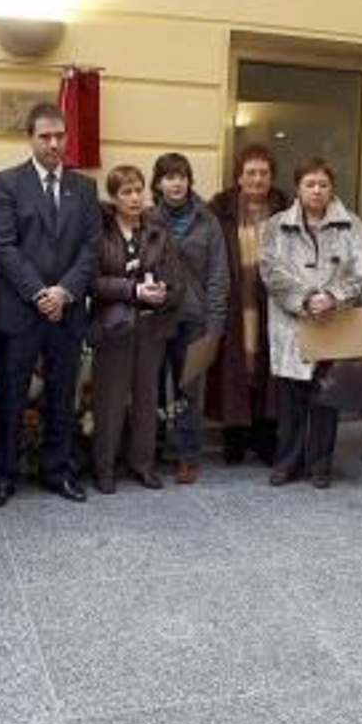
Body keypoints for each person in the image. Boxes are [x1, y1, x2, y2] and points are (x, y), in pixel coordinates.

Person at [0, 102, 102, 509]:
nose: (54, 144)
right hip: (20, 311)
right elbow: (3, 246)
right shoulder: (7, 183)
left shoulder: (84, 188)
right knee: (12, 397)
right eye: (45, 137)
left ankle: (58, 471)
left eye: (59, 136)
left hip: (67, 312)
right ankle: (4, 475)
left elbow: (91, 248)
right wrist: (40, 293)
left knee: (62, 395)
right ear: (30, 139)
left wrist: (64, 292)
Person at [259, 158, 362, 489]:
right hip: (291, 323)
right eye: (310, 184)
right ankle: (287, 463)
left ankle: (320, 465)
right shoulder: (276, 225)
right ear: (298, 188)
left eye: (323, 184)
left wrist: (333, 297)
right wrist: (306, 298)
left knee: (327, 398)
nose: (317, 190)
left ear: (331, 188)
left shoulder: (352, 225)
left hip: (332, 322)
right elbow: (270, 271)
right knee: (290, 401)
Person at [88, 165, 183, 492]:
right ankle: (104, 468)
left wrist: (163, 293)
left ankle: (143, 464)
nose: (134, 198)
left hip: (151, 327)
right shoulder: (100, 233)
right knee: (110, 402)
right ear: (113, 197)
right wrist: (132, 290)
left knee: (146, 400)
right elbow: (92, 282)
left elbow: (176, 281)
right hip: (113, 328)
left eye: (138, 190)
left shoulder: (159, 232)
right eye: (126, 192)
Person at [207, 144, 290, 466]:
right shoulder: (219, 211)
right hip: (234, 307)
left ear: (272, 177)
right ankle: (235, 438)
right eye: (251, 173)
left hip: (273, 306)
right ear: (238, 177)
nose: (257, 179)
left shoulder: (286, 210)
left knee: (268, 370)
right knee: (235, 370)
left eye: (264, 173)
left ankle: (266, 437)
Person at [151, 153, 229, 485]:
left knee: (189, 391)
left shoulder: (208, 221)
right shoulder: (147, 218)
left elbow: (218, 276)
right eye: (169, 177)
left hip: (194, 319)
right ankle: (152, 451)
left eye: (181, 176)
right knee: (152, 388)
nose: (176, 183)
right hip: (153, 317)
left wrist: (215, 326)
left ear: (189, 180)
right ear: (158, 183)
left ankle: (187, 456)